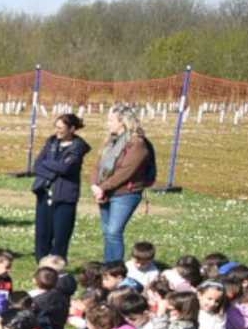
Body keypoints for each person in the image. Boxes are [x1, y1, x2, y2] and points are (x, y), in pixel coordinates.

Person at [91, 103, 156, 264]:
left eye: (111, 120)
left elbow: (127, 171)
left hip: (125, 193)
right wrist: (95, 184)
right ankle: (109, 266)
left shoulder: (137, 143)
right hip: (105, 192)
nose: (108, 123)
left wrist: (102, 187)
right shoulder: (112, 141)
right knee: (107, 233)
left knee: (114, 232)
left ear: (122, 121)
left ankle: (115, 268)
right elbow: (99, 164)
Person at [31, 113, 88, 260]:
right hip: (44, 194)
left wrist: (47, 164)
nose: (57, 131)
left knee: (61, 237)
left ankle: (57, 268)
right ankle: (42, 265)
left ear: (72, 129)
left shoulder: (78, 148)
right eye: (55, 127)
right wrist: (52, 170)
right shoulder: (51, 142)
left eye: (61, 128)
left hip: (65, 197)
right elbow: (37, 165)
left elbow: (66, 169)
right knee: (42, 235)